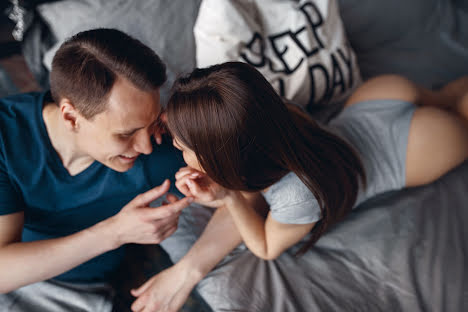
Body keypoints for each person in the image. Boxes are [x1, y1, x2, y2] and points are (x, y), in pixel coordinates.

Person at [130, 62, 468, 311]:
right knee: (450, 97)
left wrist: (230, 198)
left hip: (414, 148)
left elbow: (265, 247)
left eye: (185, 146)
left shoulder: (298, 196)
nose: (175, 147)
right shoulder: (278, 117)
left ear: (230, 159)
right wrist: (222, 187)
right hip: (381, 94)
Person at [0, 28, 193, 312]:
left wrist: (187, 271)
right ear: (71, 116)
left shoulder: (157, 154)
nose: (145, 145)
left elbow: (245, 193)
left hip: (78, 290)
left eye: (149, 124)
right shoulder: (6, 136)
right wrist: (114, 232)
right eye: (126, 133)